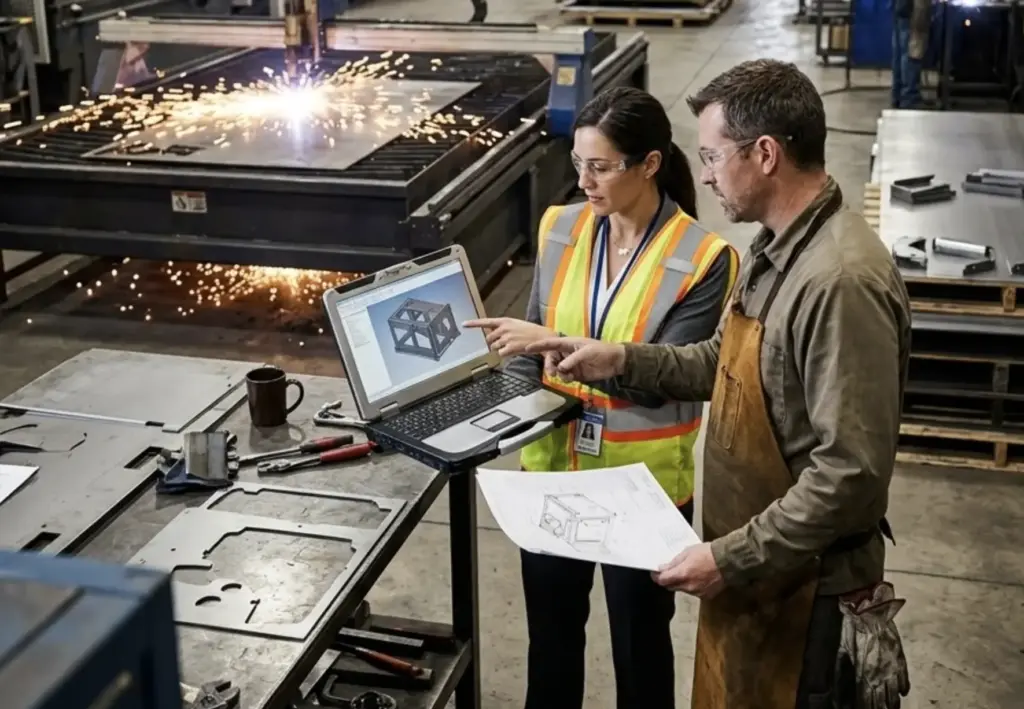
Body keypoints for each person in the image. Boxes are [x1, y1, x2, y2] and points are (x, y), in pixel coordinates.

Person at [525, 60, 914, 709]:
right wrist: (617, 358)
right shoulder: (776, 249)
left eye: (712, 156)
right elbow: (724, 361)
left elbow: (850, 476)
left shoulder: (840, 282)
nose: (703, 174)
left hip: (808, 590)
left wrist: (729, 558)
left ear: (765, 154)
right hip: (764, 573)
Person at [464, 86, 739, 709]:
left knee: (641, 652)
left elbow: (672, 377)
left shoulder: (702, 258)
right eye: (578, 164)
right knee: (551, 646)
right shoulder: (560, 228)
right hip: (552, 477)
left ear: (649, 164)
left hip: (642, 489)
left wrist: (558, 349)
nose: (584, 181)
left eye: (601, 167)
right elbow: (531, 346)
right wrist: (492, 410)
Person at [892, 0, 932, 108]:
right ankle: (910, 97)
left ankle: (898, 96)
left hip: (901, 7)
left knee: (900, 53)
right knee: (912, 51)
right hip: (914, 9)